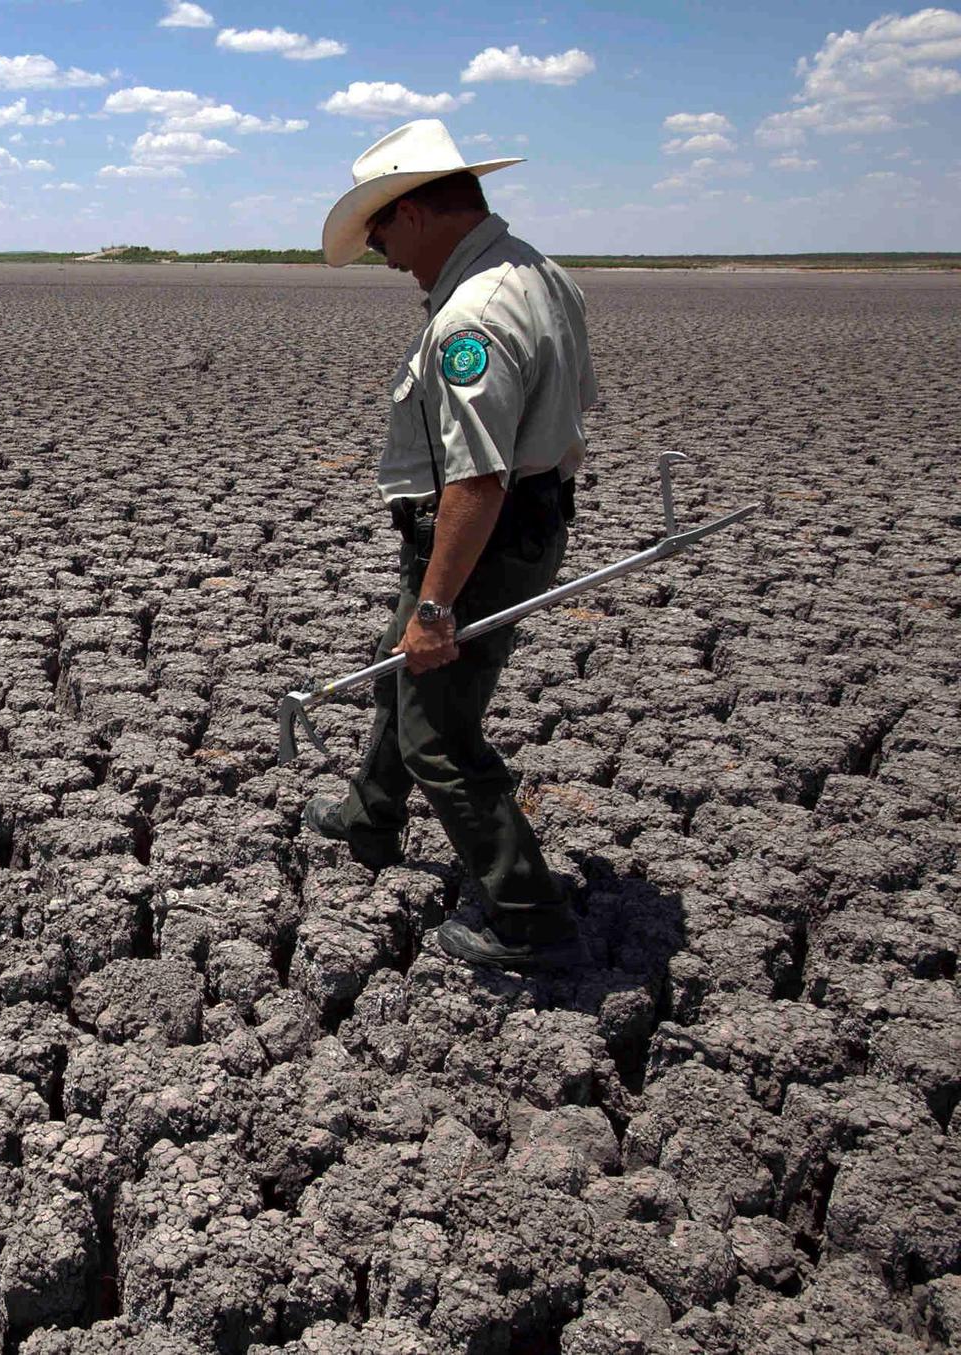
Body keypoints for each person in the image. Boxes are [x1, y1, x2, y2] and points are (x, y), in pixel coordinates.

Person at [308, 119, 596, 971]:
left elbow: (478, 478)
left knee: (439, 729)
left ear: (422, 210)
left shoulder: (473, 314)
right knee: (402, 674)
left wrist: (436, 603)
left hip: (480, 542)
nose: (386, 256)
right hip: (507, 530)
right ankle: (370, 816)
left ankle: (526, 916)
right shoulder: (539, 271)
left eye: (384, 231)